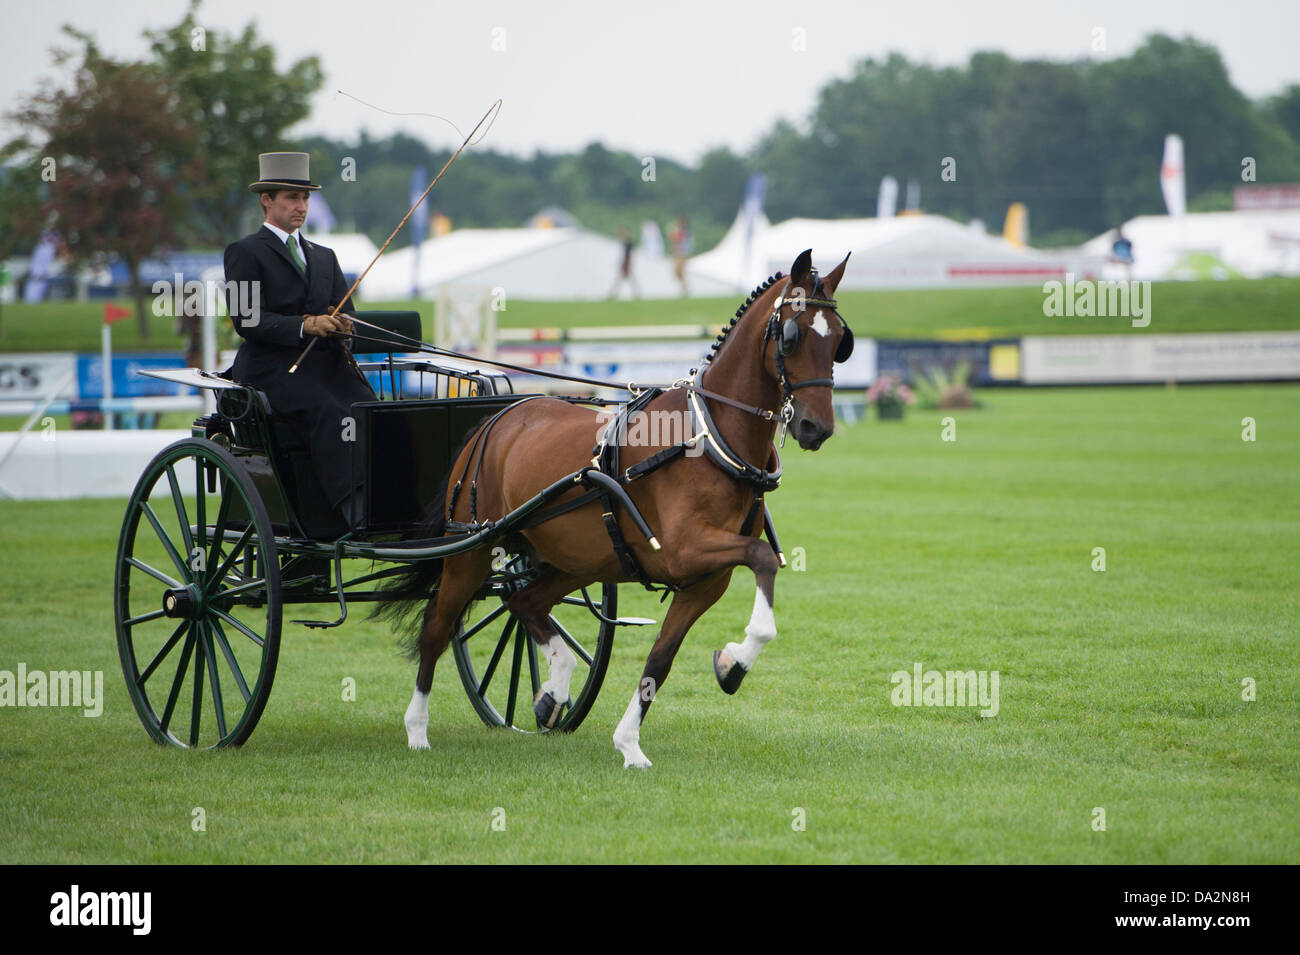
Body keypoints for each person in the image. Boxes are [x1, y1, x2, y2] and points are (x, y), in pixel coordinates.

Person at [223, 151, 376, 527]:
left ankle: (389, 498)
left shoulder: (324, 256)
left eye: (305, 198)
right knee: (329, 412)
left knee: (374, 412)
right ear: (267, 200)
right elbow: (247, 320)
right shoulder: (245, 252)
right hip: (271, 369)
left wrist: (343, 324)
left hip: (326, 365)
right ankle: (352, 508)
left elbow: (347, 310)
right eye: (292, 198)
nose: (301, 206)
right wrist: (305, 326)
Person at [607, 226, 639, 299]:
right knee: (626, 279)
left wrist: (626, 264)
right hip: (625, 263)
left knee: (622, 279)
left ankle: (613, 294)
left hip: (626, 263)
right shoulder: (625, 242)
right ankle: (635, 293)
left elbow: (628, 255)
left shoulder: (628, 243)